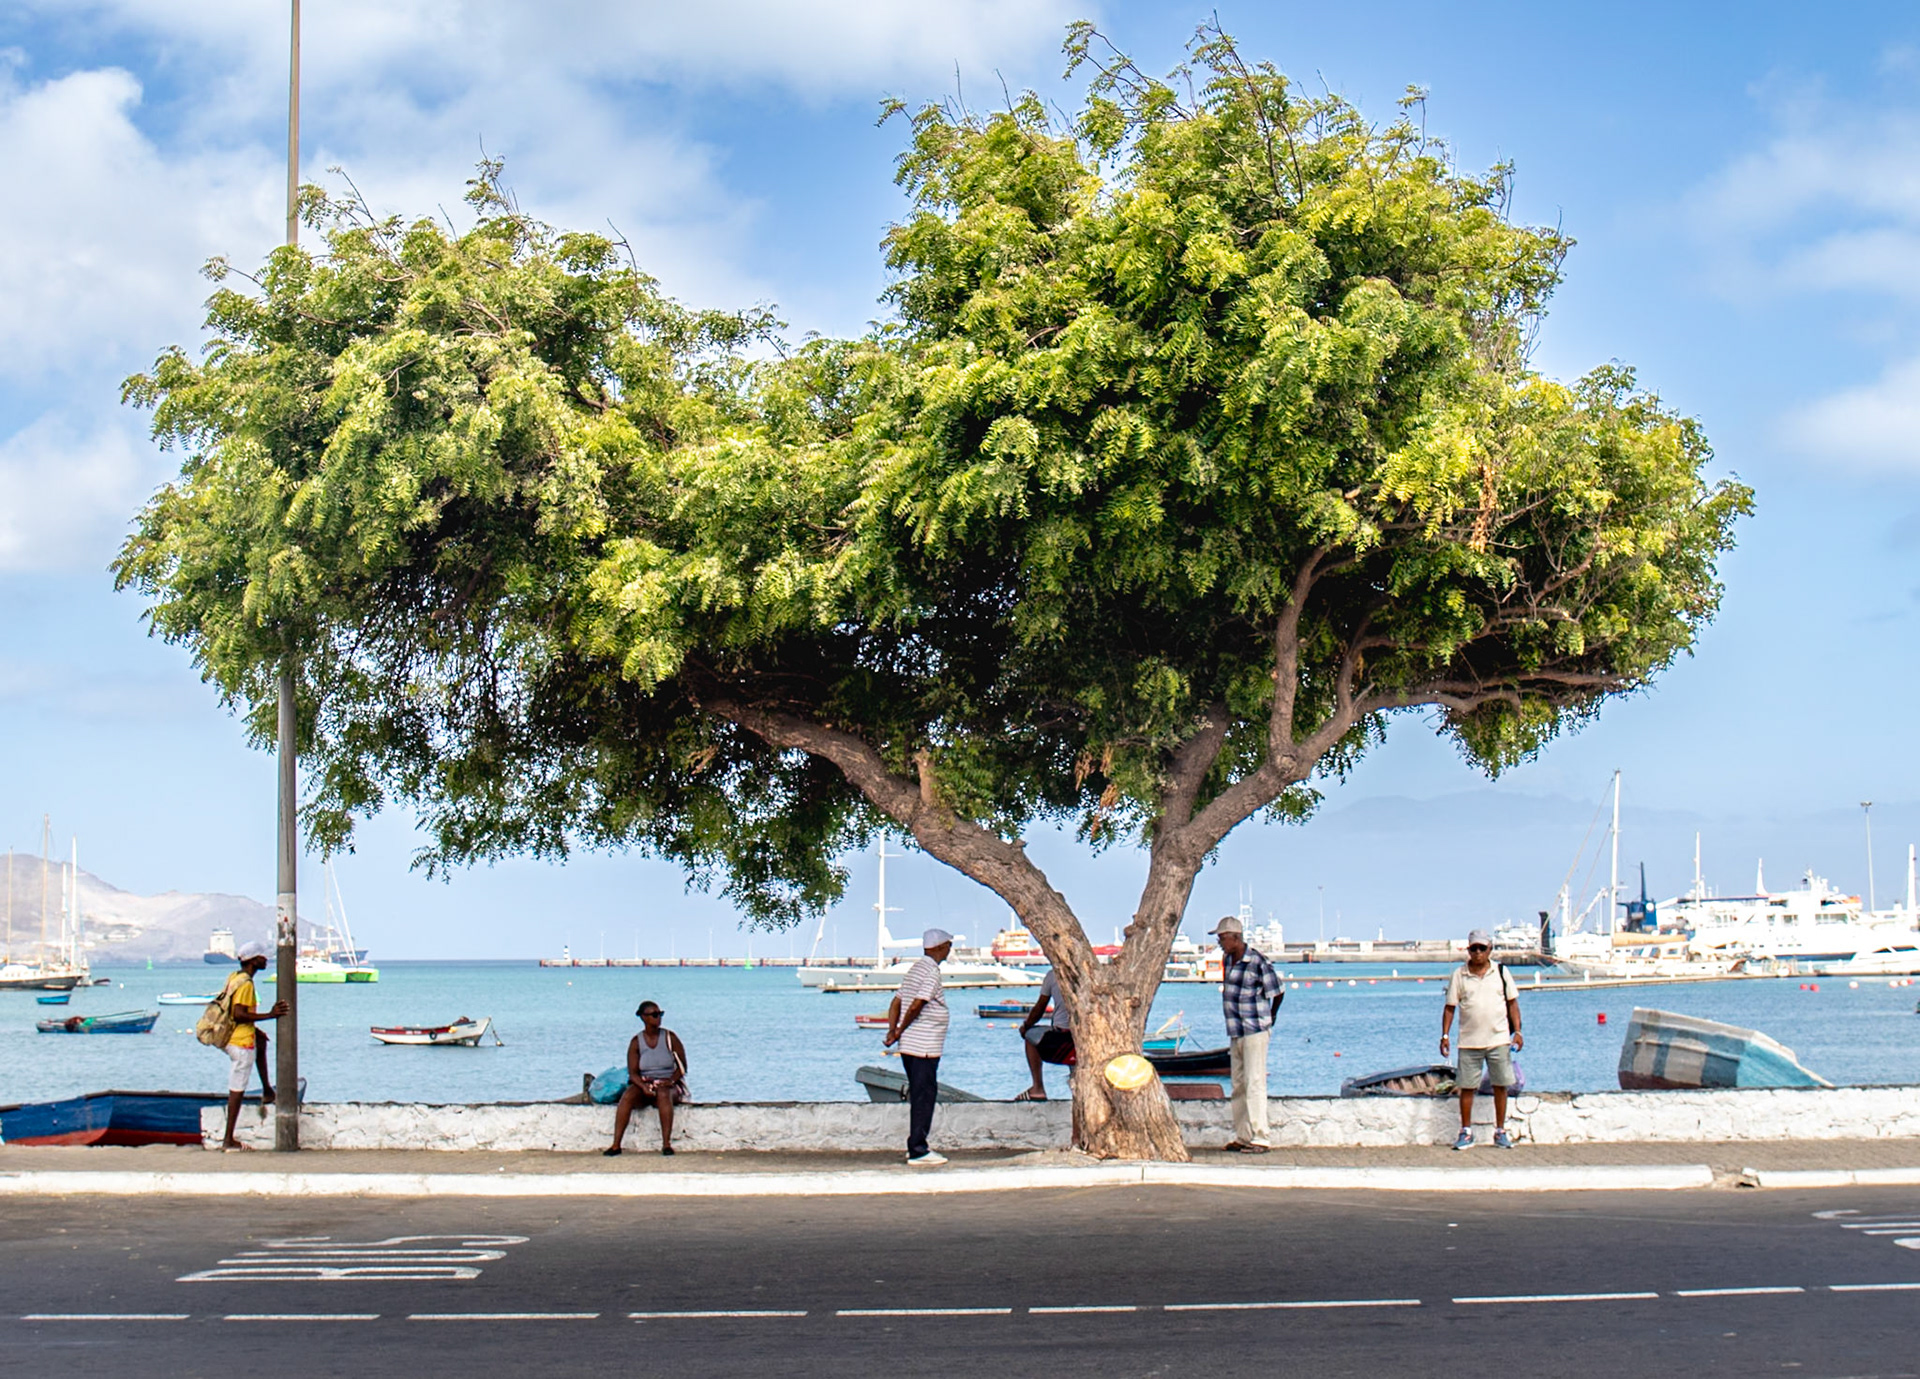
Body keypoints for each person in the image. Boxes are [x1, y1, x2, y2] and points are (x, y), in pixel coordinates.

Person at [1441, 928, 1523, 1150]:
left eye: (1482, 948)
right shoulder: (1459, 975)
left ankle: (1500, 1131)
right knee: (1467, 1087)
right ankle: (1466, 1131)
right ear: (1469, 950)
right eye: (1474, 948)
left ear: (1489, 950)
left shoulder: (1501, 972)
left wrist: (1517, 1032)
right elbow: (1450, 1007)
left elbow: (1513, 1003)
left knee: (1501, 1085)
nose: (1478, 952)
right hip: (1469, 1041)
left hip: (1499, 1039)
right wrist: (1445, 1035)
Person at [1212, 915, 1281, 1153]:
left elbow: (1277, 991)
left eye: (1222, 939)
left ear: (1235, 937)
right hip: (1236, 1030)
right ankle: (1243, 1135)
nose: (1220, 943)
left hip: (1255, 1030)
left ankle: (1261, 1137)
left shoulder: (1257, 961)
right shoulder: (1228, 960)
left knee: (1255, 1082)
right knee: (1239, 1084)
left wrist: (1271, 1016)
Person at [884, 928, 952, 1166]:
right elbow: (916, 1005)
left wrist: (893, 1030)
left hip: (911, 1045)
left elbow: (896, 1002)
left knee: (920, 1092)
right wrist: (899, 1030)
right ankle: (918, 1150)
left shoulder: (915, 969)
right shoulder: (931, 972)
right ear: (940, 947)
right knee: (924, 1095)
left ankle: (916, 1144)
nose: (950, 950)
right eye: (949, 945)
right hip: (924, 1045)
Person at [217, 943, 288, 1151]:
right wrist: (271, 1014)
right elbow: (238, 1014)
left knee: (261, 1042)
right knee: (237, 1089)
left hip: (232, 1036)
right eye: (262, 957)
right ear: (253, 960)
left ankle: (267, 1090)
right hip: (240, 1043)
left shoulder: (235, 977)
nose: (266, 960)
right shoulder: (246, 984)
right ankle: (228, 1139)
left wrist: (256, 1030)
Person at [604, 1001, 689, 1156]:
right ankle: (616, 1145)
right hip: (645, 1082)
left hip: (668, 1083)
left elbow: (682, 1066)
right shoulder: (636, 1042)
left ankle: (666, 1144)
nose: (658, 1018)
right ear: (644, 1017)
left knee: (663, 1094)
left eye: (660, 1014)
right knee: (627, 1097)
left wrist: (670, 1081)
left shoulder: (670, 1038)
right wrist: (643, 1087)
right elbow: (633, 1073)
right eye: (654, 1015)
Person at [1016, 967, 1073, 1101]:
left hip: (1063, 1037)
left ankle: (1038, 1088)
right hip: (1084, 1039)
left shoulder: (1053, 975)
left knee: (1030, 1036)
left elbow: (1040, 1008)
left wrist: (1026, 1027)